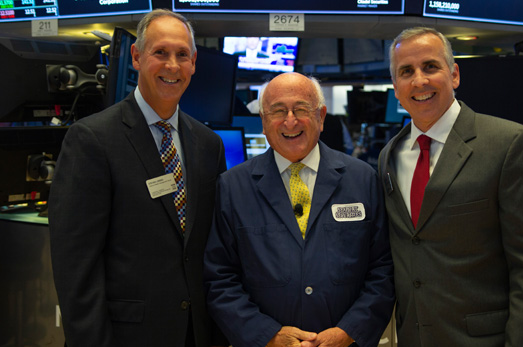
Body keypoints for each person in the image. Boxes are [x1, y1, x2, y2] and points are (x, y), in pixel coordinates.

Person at [48, 9, 228, 347]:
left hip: (197, 334)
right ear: (136, 57)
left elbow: (211, 251)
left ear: (193, 63)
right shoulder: (91, 139)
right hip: (124, 335)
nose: (172, 66)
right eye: (160, 52)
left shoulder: (208, 144)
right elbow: (76, 265)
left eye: (182, 55)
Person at [378, 26, 523, 346]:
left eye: (430, 67)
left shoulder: (510, 145)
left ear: (454, 75)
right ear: (396, 87)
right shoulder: (388, 156)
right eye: (406, 71)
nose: (419, 80)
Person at [204, 72, 395, 347]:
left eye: (301, 109)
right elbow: (219, 278)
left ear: (321, 116)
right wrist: (267, 335)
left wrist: (347, 332)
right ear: (264, 120)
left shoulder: (363, 179)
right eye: (278, 111)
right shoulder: (233, 187)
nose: (290, 120)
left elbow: (383, 270)